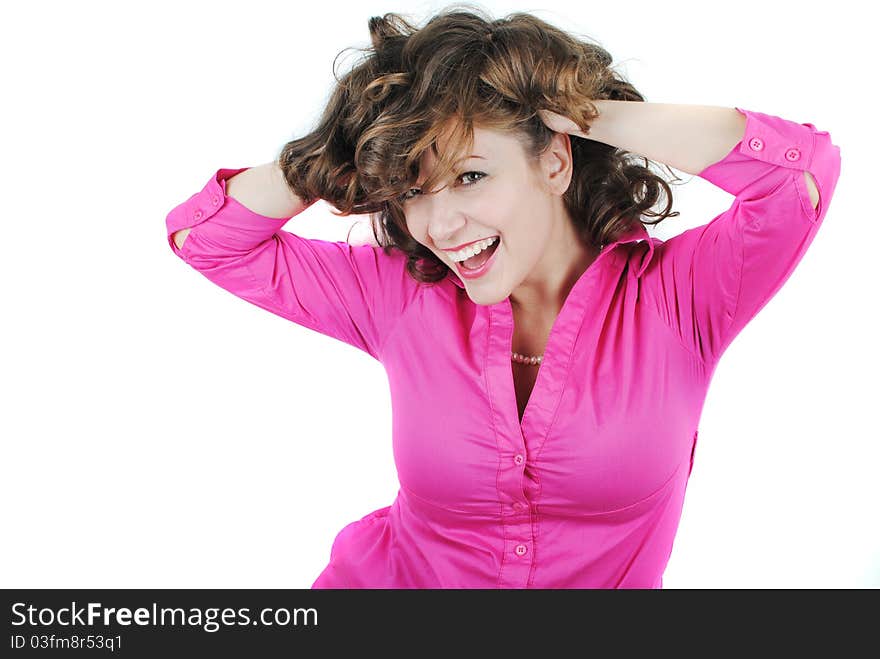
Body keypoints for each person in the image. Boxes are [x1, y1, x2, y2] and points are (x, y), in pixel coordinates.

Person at [165, 7, 841, 588]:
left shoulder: (680, 299)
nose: (438, 225)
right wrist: (325, 151)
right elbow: (207, 240)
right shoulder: (398, 294)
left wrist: (581, 111)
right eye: (411, 191)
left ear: (555, 160)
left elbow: (799, 177)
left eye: (470, 176)